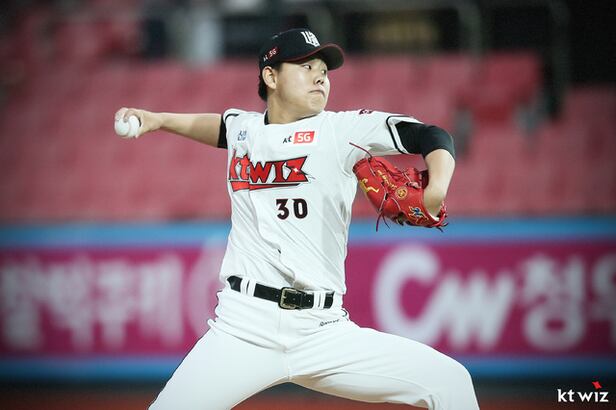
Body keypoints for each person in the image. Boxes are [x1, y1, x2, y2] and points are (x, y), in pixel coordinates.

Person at [115, 28, 479, 410]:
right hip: (244, 327)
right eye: (306, 67)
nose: (320, 76)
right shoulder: (244, 128)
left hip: (323, 330)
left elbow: (431, 135)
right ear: (271, 76)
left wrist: (437, 187)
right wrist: (158, 119)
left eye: (324, 70)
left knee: (450, 382)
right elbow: (220, 127)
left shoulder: (343, 130)